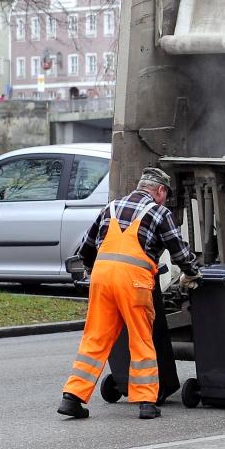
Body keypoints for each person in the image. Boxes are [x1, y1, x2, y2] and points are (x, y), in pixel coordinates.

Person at [58, 167, 201, 420]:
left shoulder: (111, 208)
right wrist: (192, 273)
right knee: (141, 339)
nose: (165, 200)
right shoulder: (159, 212)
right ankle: (146, 402)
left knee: (95, 338)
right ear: (160, 190)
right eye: (165, 195)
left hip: (102, 279)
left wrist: (95, 270)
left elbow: (85, 249)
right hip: (134, 282)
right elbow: (179, 252)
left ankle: (72, 398)